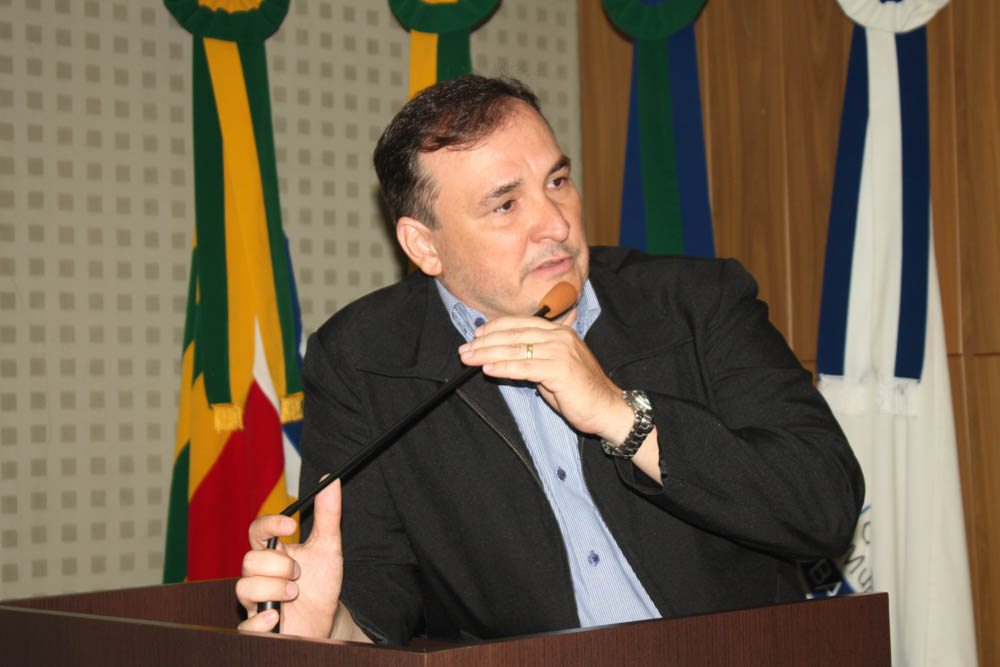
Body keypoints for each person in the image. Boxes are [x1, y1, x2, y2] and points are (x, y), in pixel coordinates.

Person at [236, 75, 864, 644]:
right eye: (505, 205)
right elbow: (377, 580)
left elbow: (825, 505)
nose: (556, 225)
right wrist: (334, 625)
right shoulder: (362, 359)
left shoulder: (698, 303)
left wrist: (622, 416)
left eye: (557, 182)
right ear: (424, 246)